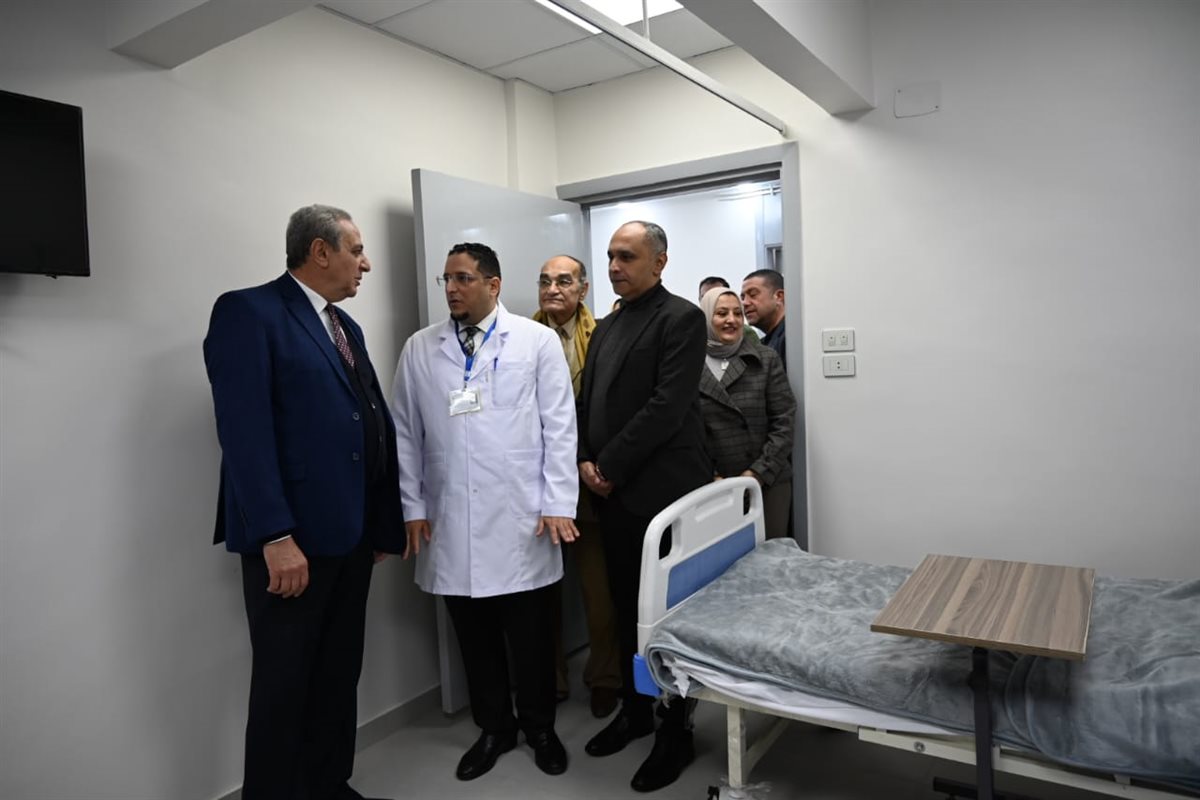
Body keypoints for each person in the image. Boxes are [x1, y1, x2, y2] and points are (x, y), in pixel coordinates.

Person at [203, 204, 405, 800]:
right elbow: (244, 434)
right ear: (320, 252)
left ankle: (327, 783)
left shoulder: (345, 327)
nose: (366, 264)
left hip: (350, 535)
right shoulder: (249, 312)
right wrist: (275, 535)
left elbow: (366, 419)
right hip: (293, 542)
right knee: (283, 684)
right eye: (356, 250)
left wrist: (377, 523)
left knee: (338, 674)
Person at [390, 242, 578, 782]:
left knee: (531, 637)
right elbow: (405, 434)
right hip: (450, 516)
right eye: (446, 279)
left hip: (523, 517)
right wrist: (412, 507)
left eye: (463, 278)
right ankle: (494, 728)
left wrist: (558, 502)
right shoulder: (420, 348)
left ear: (493, 285)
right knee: (474, 638)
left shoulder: (536, 341)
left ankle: (540, 728)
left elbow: (559, 426)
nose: (451, 288)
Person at [577, 221, 710, 793]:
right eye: (610, 256)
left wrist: (608, 465)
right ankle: (635, 713)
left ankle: (675, 731)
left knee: (667, 617)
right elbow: (586, 402)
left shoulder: (681, 319)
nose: (614, 266)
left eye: (627, 256)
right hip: (613, 497)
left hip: (661, 494)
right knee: (627, 607)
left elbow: (667, 406)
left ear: (659, 262)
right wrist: (584, 459)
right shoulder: (607, 326)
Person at [533, 254, 622, 719]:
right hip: (537, 485)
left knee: (598, 594)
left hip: (589, 484)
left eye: (564, 281)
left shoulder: (604, 335)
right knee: (538, 594)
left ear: (583, 289)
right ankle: (548, 679)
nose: (553, 289)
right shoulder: (522, 336)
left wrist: (592, 463)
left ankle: (604, 677)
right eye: (545, 281)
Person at [697, 287, 796, 538]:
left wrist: (757, 473)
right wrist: (709, 474)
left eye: (737, 313)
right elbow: (684, 427)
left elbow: (784, 420)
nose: (731, 320)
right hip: (711, 484)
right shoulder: (689, 362)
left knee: (770, 553)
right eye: (722, 313)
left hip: (767, 481)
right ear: (706, 317)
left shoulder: (765, 358)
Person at [741, 268, 786, 370]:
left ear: (779, 297)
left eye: (753, 295)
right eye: (743, 298)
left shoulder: (791, 338)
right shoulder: (764, 344)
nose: (745, 303)